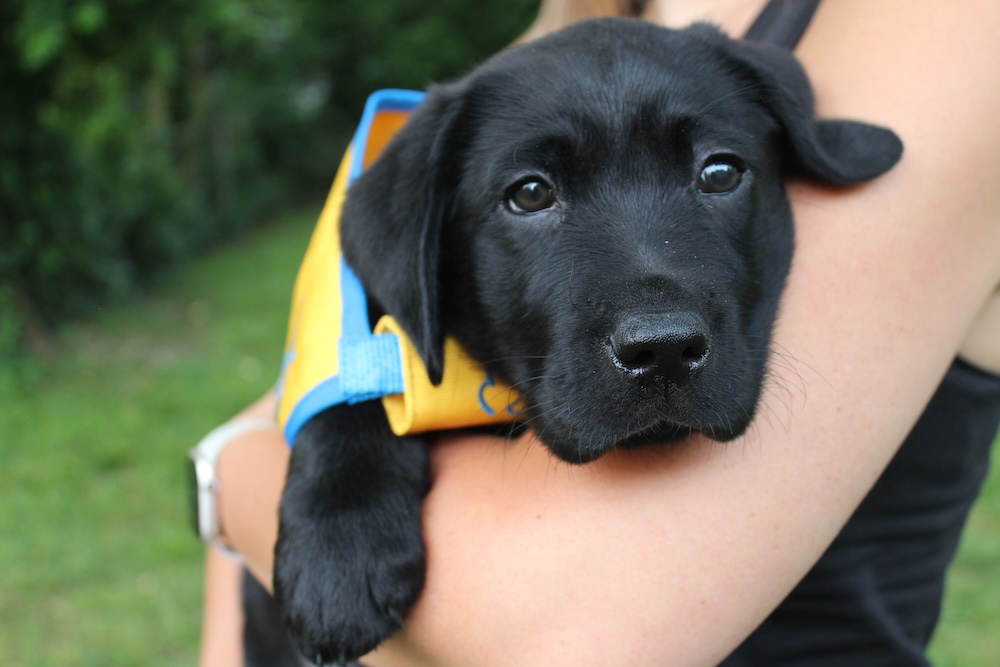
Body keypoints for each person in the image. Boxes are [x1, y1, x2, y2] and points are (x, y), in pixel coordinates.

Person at [195, 0, 1000, 665]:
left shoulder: (951, 30)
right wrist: (338, 441)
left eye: (717, 174)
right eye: (532, 193)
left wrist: (230, 470)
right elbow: (317, 377)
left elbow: (571, 643)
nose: (653, 321)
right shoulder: (562, 34)